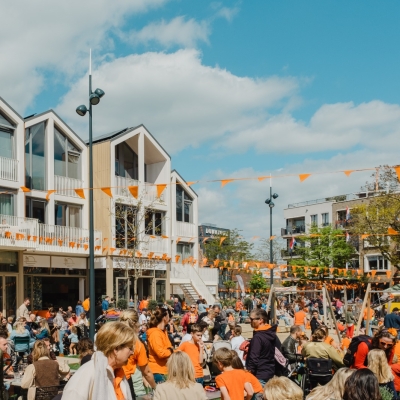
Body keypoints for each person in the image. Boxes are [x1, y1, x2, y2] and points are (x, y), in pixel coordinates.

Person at [119, 309, 157, 397]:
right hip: (125, 381)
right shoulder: (137, 344)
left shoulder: (112, 336)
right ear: (136, 324)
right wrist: (155, 387)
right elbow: (146, 372)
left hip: (108, 378)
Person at [246, 308, 278, 386]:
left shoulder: (258, 337)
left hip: (259, 375)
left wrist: (248, 372)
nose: (250, 321)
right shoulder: (271, 333)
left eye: (252, 319)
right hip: (270, 372)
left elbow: (254, 358)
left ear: (260, 320)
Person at [147, 307, 174, 384]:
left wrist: (171, 350)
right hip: (157, 371)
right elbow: (160, 353)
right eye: (169, 315)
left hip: (164, 369)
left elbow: (168, 348)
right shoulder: (155, 333)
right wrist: (171, 350)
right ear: (164, 318)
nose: (170, 317)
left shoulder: (163, 331)